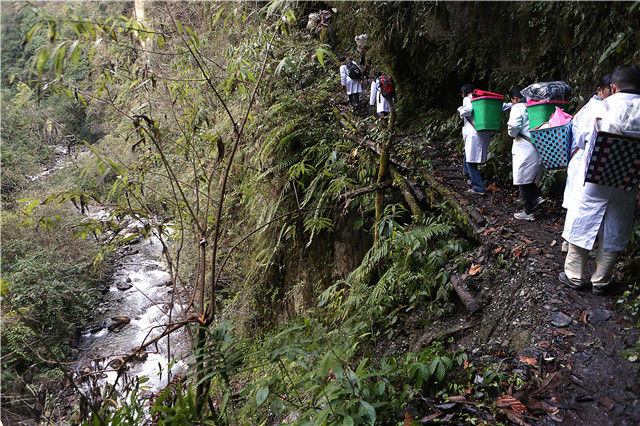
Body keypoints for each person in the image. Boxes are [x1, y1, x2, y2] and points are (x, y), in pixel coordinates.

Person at [560, 64, 640, 294]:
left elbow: (584, 138)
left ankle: (574, 276)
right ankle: (601, 280)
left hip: (598, 174)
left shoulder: (602, 106)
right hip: (628, 179)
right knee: (617, 222)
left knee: (585, 217)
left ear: (613, 87)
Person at [560, 74, 612, 251]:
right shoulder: (597, 108)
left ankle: (568, 242)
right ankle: (571, 244)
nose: (612, 93)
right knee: (579, 204)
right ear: (600, 90)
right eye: (609, 90)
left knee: (576, 203)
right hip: (583, 158)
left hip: (580, 159)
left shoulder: (588, 107)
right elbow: (583, 138)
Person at [507, 86, 544, 220]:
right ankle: (536, 198)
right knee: (531, 177)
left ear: (515, 98)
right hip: (537, 146)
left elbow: (514, 126)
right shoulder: (536, 106)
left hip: (524, 146)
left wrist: (511, 134)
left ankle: (528, 212)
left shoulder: (517, 107)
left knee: (523, 179)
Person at [457, 84, 491, 195]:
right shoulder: (482, 100)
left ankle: (479, 188)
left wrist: (461, 110)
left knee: (471, 162)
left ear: (463, 93)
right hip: (482, 133)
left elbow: (469, 110)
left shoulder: (467, 99)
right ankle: (467, 174)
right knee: (468, 155)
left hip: (474, 134)